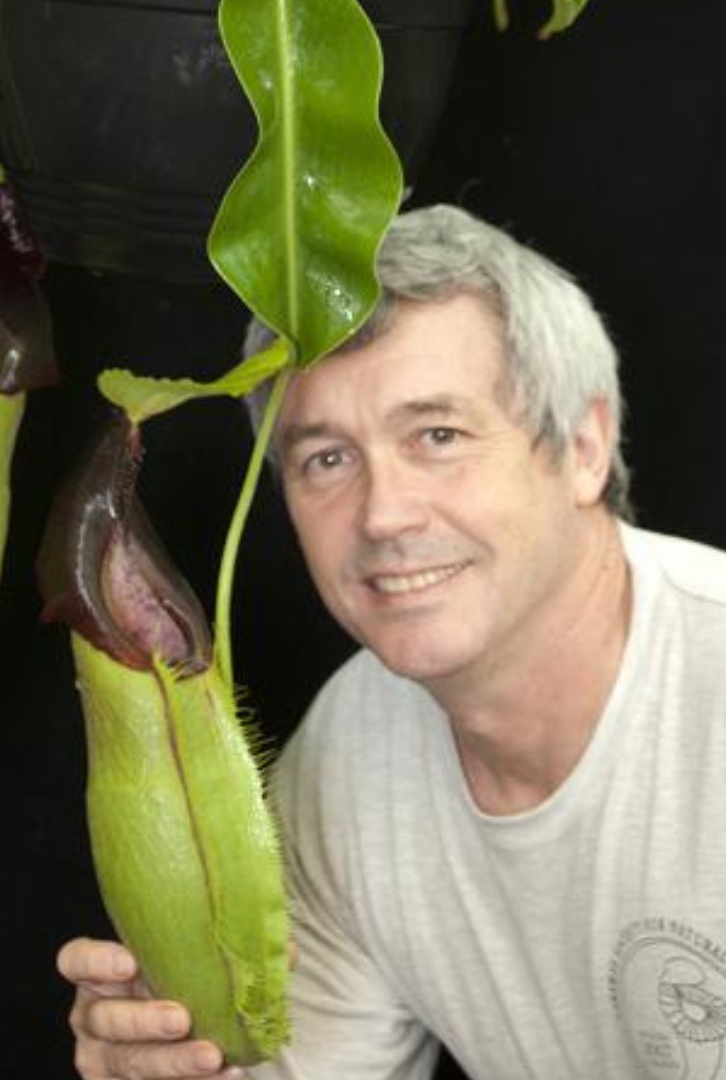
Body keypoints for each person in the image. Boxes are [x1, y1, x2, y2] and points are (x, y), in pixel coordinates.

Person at [57, 204, 726, 1079]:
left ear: (584, 446)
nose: (382, 514)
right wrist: (175, 1066)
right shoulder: (348, 754)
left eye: (437, 436)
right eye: (326, 459)